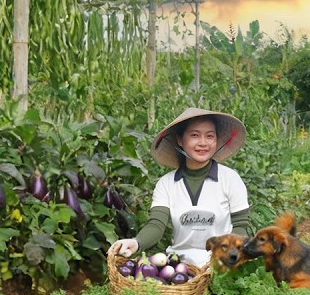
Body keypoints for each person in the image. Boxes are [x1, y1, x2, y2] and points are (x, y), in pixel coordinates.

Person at [107, 107, 251, 268]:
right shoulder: (166, 184)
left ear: (216, 140)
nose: (203, 143)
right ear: (180, 140)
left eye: (210, 136)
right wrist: (136, 242)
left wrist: (229, 256)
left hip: (220, 264)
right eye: (195, 135)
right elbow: (156, 225)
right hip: (179, 266)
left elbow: (241, 226)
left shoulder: (230, 179)